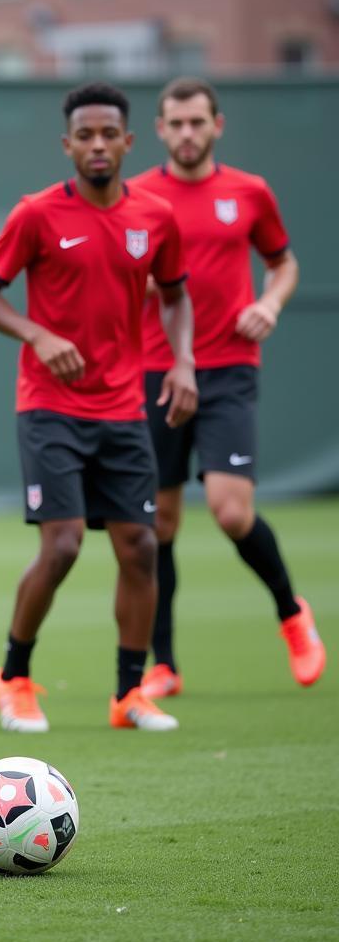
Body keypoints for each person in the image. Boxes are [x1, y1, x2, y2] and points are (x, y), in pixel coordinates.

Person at [0, 82, 198, 734]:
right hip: (50, 408)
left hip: (124, 408)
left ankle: (129, 693)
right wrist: (36, 333)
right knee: (63, 545)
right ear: (68, 145)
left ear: (128, 141)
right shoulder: (37, 214)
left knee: (141, 549)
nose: (98, 145)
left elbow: (176, 296)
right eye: (85, 135)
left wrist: (181, 362)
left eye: (109, 134)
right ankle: (13, 678)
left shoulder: (155, 217)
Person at [130, 76, 325, 697]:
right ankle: (163, 664)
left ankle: (292, 616)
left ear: (218, 125)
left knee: (230, 510)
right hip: (155, 371)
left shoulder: (249, 192)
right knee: (158, 522)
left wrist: (270, 302)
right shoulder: (137, 197)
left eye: (198, 122)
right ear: (159, 131)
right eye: (176, 124)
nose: (188, 133)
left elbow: (285, 261)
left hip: (230, 367)